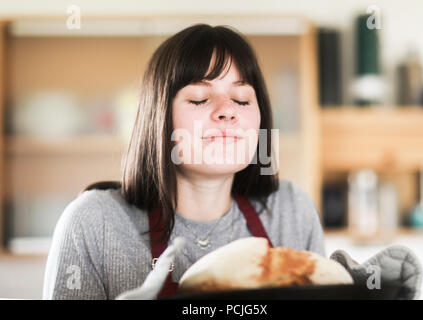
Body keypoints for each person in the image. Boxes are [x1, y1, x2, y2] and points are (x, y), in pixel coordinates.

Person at [42, 24, 325, 300]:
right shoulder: (94, 223)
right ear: (160, 118)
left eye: (241, 99)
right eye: (200, 99)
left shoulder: (292, 212)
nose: (228, 111)